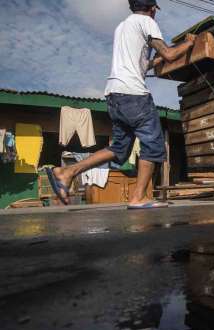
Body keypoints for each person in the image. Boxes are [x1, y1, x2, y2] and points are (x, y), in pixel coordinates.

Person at [45, 0, 196, 209]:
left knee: (119, 149)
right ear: (152, 9)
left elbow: (143, 64)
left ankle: (68, 171)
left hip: (115, 96)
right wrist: (188, 44)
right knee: (153, 145)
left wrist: (158, 61)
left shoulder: (123, 27)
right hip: (134, 95)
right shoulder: (147, 21)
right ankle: (138, 198)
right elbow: (169, 54)